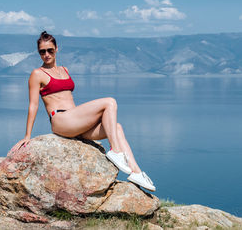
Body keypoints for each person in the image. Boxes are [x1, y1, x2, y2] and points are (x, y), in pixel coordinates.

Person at [9, 31, 155, 192]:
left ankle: (136, 172)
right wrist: (27, 135)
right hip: (61, 120)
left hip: (75, 122)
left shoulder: (64, 70)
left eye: (50, 50)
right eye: (42, 52)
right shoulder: (37, 74)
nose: (46, 54)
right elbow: (33, 105)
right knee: (110, 102)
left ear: (57, 49)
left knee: (117, 127)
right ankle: (115, 152)